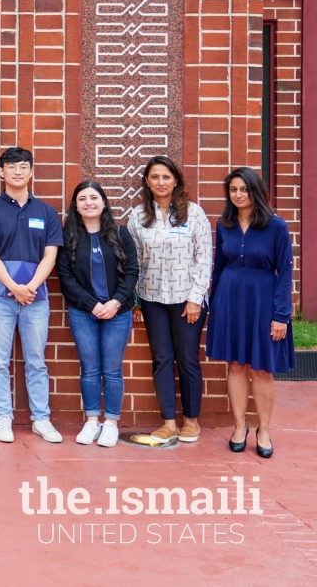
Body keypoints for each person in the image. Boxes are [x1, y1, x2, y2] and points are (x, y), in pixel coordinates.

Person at [0, 146, 63, 444]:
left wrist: (31, 288)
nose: (17, 171)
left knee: (36, 359)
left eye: (23, 166)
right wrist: (14, 287)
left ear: (31, 171)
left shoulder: (47, 212)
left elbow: (50, 257)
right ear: (1, 172)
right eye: (11, 166)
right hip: (0, 294)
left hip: (36, 296)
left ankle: (41, 418)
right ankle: (3, 417)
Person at [206, 167, 296, 458]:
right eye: (233, 190)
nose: (238, 195)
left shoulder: (276, 226)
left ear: (256, 191)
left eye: (244, 189)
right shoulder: (224, 225)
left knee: (261, 368)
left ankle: (265, 429)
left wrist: (281, 315)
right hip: (230, 301)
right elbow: (218, 267)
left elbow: (284, 272)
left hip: (263, 301)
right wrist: (215, 304)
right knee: (235, 365)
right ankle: (239, 426)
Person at [126, 155, 212, 444]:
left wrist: (195, 298)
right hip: (152, 299)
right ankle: (168, 423)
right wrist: (136, 300)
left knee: (187, 359)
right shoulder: (137, 217)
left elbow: (204, 259)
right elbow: (133, 262)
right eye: (154, 177)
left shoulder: (194, 214)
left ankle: (191, 421)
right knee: (161, 359)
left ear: (176, 180)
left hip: (186, 299)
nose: (160, 182)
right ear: (147, 182)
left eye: (166, 177)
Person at [55, 180, 138, 448]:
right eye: (82, 199)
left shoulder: (121, 233)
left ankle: (111, 423)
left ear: (103, 202)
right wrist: (91, 304)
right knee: (90, 369)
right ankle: (92, 421)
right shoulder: (68, 237)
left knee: (112, 370)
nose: (88, 202)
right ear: (76, 206)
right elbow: (65, 278)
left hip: (118, 312)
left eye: (94, 197)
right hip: (83, 312)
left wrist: (115, 302)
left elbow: (133, 271)